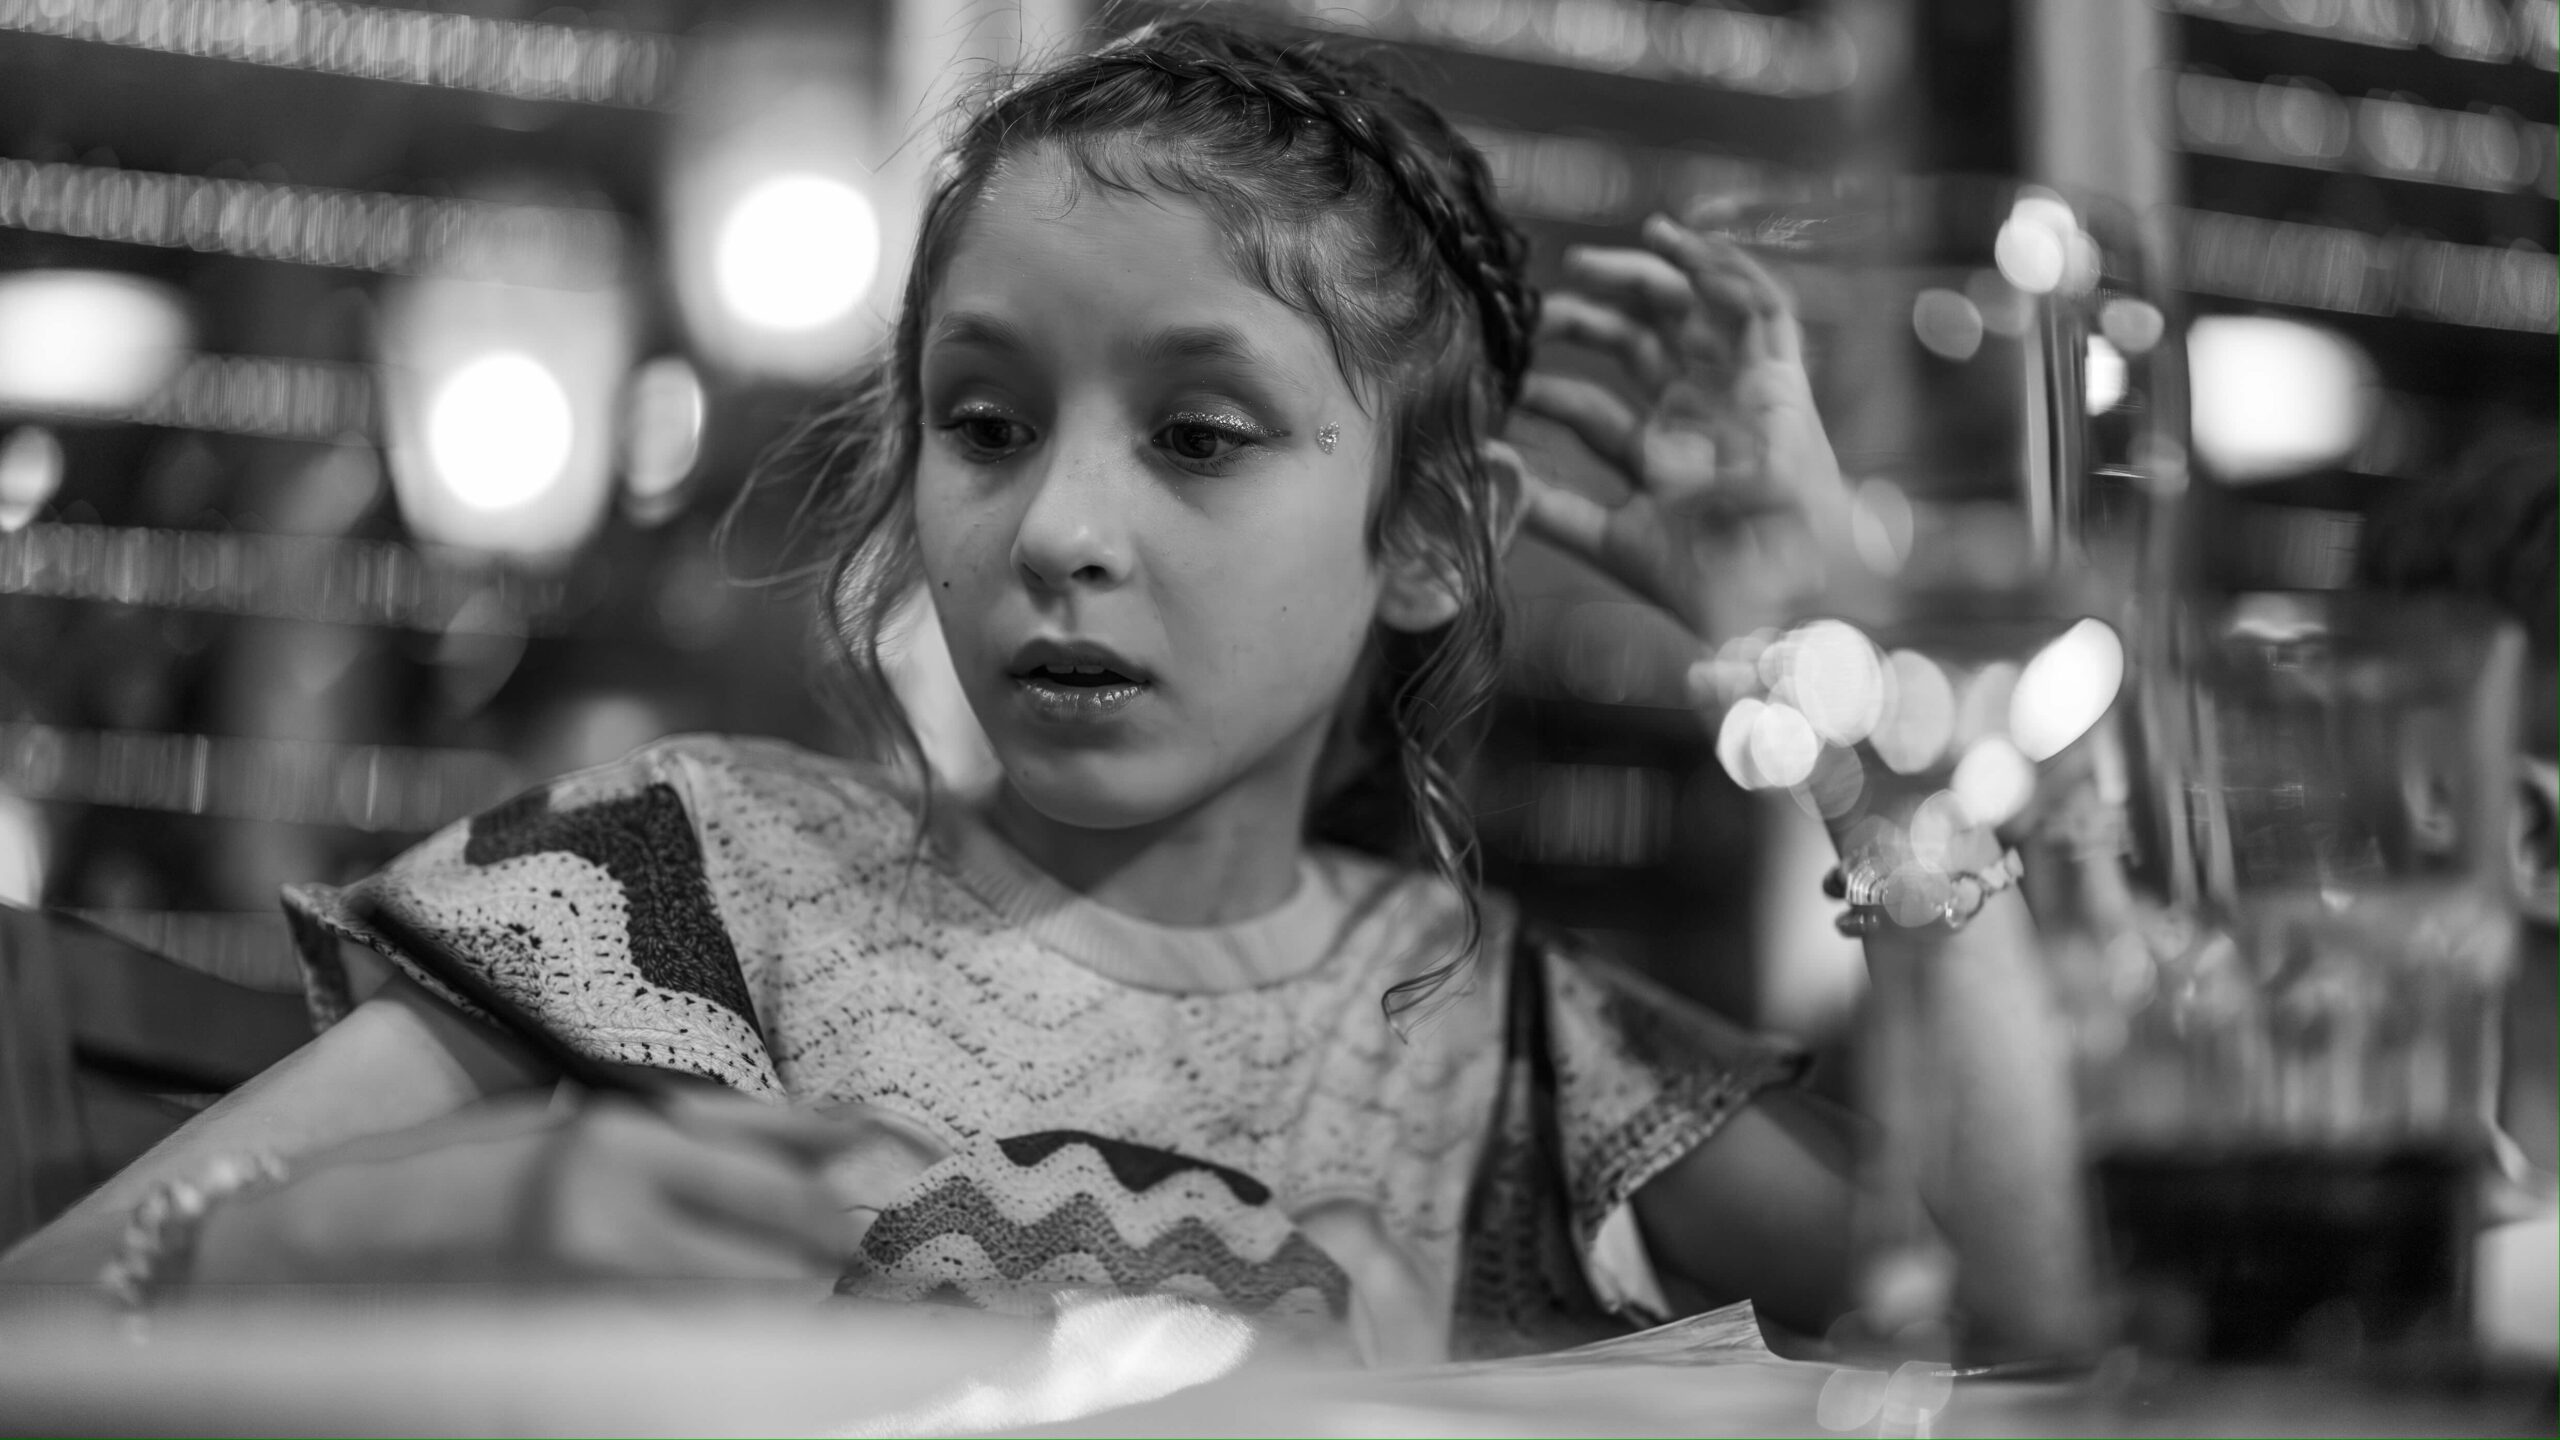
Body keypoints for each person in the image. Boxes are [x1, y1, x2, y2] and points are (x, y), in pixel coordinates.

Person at [0, 20, 2072, 1365]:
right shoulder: (694, 884)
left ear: (1433, 534)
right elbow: (47, 1315)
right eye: (984, 426)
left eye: (1198, 436)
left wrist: (1843, 676)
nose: (1058, 527)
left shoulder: (1511, 1037)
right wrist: (428, 1219)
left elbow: (2032, 1301)